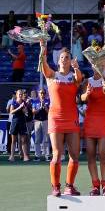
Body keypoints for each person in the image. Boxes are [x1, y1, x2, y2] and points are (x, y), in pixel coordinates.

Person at [40, 41, 83, 196]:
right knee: (57, 154)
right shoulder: (52, 75)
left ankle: (69, 186)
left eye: (67, 58)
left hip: (71, 118)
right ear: (58, 60)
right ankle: (55, 186)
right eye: (62, 57)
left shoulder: (73, 76)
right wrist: (43, 49)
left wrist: (76, 67)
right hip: (56, 118)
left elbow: (80, 80)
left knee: (74, 154)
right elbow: (43, 64)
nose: (65, 60)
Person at [81, 63, 105, 196]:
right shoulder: (87, 81)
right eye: (95, 65)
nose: (98, 67)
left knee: (103, 155)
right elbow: (82, 98)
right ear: (91, 66)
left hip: (104, 120)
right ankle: (95, 185)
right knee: (90, 156)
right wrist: (87, 94)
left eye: (100, 65)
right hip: (90, 121)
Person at [8, 89, 30, 162]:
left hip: (22, 122)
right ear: (16, 95)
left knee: (23, 140)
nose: (20, 95)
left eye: (21, 94)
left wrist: (24, 110)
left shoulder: (24, 103)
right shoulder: (13, 102)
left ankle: (25, 156)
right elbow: (11, 112)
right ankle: (12, 156)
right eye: (19, 94)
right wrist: (19, 107)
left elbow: (26, 113)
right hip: (14, 122)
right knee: (13, 140)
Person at [32, 88, 50, 161]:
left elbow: (49, 112)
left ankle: (47, 155)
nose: (42, 94)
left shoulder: (48, 101)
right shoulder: (35, 101)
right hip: (37, 121)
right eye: (40, 93)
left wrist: (44, 106)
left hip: (45, 121)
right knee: (37, 139)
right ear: (38, 94)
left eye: (43, 93)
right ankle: (37, 156)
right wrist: (39, 107)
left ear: (45, 94)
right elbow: (33, 112)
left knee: (46, 139)